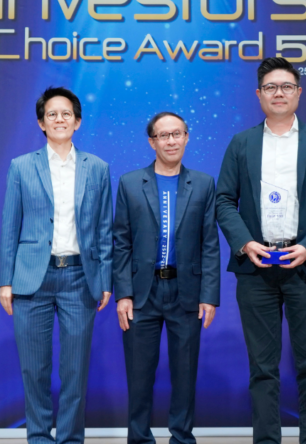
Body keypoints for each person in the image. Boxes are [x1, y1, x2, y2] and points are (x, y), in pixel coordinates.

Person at [215, 57, 306, 444]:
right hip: (255, 268)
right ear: (259, 95)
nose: (279, 93)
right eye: (271, 87)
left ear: (299, 93)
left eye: (286, 86)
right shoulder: (241, 143)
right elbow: (224, 200)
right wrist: (245, 243)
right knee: (262, 368)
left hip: (304, 265)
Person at [0, 86, 113, 444]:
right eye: (52, 114)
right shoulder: (21, 166)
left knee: (75, 370)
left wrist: (105, 279)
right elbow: (10, 227)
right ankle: (38, 438)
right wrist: (5, 281)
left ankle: (70, 439)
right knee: (34, 369)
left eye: (66, 114)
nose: (59, 119)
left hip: (80, 277)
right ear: (41, 122)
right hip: (32, 278)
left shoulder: (97, 168)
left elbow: (104, 229)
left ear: (77, 122)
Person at [113, 111, 221, 444]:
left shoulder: (203, 183)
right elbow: (121, 242)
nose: (171, 141)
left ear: (187, 137)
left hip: (186, 292)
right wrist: (123, 294)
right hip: (141, 294)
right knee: (139, 375)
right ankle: (139, 438)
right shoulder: (130, 183)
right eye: (163, 135)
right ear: (152, 142)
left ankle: (182, 438)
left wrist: (209, 295)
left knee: (185, 375)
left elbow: (210, 243)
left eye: (177, 134)